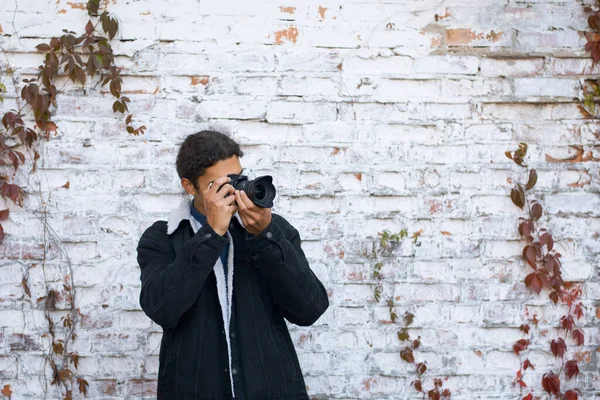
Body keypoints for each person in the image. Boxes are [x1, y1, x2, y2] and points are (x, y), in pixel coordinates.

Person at [136, 130, 329, 399]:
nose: (234, 189)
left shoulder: (272, 229)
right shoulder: (163, 238)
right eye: (220, 183)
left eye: (238, 178)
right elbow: (162, 309)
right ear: (190, 186)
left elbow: (310, 309)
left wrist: (266, 237)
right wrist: (210, 234)